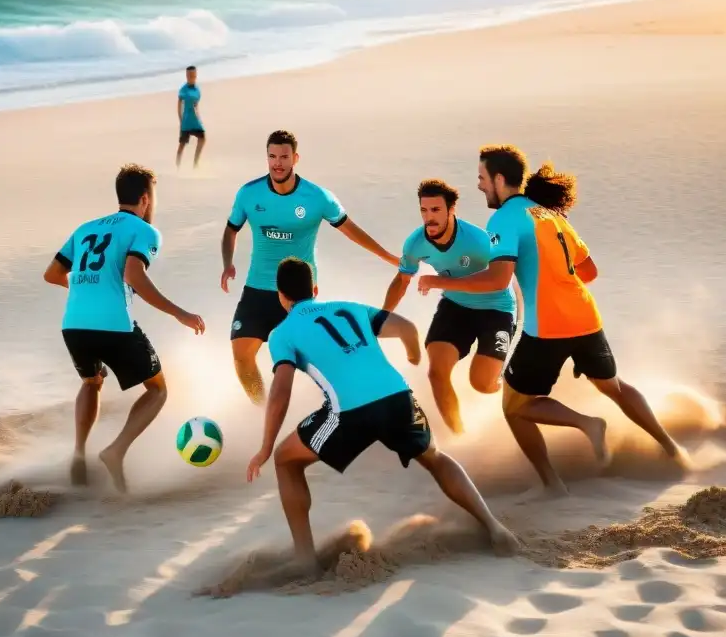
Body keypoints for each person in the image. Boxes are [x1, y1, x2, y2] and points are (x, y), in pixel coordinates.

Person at [418, 145, 690, 496]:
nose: (481, 186)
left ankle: (562, 467)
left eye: (483, 179)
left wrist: (439, 281)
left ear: (500, 180)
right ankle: (672, 449)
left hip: (548, 325)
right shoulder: (551, 215)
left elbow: (498, 280)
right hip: (586, 316)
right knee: (615, 387)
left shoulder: (502, 219)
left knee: (515, 408)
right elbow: (589, 271)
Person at [246, 257, 520, 573]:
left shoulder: (282, 333)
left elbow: (280, 392)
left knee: (285, 459)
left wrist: (265, 448)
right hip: (397, 398)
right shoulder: (350, 308)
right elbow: (406, 327)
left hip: (351, 412)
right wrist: (414, 354)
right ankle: (494, 527)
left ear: (281, 297)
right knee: (435, 458)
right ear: (316, 289)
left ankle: (305, 558)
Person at [43, 163, 205, 493]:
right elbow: (134, 275)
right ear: (145, 199)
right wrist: (179, 313)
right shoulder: (144, 231)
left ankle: (78, 454)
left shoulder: (85, 228)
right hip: (114, 325)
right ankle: (115, 451)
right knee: (158, 390)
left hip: (74, 325)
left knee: (92, 382)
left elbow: (52, 274)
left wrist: (88, 287)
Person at [220, 129, 399, 405]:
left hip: (298, 293)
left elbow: (350, 230)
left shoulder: (317, 197)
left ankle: (355, 400)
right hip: (257, 287)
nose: (277, 163)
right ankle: (262, 410)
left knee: (314, 360)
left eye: (283, 157)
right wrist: (227, 263)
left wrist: (388, 256)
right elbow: (231, 230)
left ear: (295, 158)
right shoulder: (248, 194)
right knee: (242, 356)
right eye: (272, 157)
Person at [383, 178, 519, 435]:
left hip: (497, 308)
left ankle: (511, 379)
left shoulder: (479, 240)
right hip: (456, 306)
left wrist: (441, 281)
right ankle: (460, 436)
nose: (429, 218)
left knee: (482, 384)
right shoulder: (415, 244)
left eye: (436, 210)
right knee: (436, 373)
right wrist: (382, 316)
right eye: (424, 210)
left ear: (451, 210)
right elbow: (402, 281)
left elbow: (501, 281)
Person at [176, 65, 205, 169]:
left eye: (193, 75)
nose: (191, 77)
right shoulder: (183, 90)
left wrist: (199, 118)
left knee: (202, 138)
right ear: (186, 76)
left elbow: (196, 105)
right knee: (182, 144)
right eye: (189, 75)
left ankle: (195, 163)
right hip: (186, 121)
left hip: (195, 120)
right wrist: (180, 120)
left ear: (196, 75)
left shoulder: (197, 90)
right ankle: (177, 166)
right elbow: (179, 105)